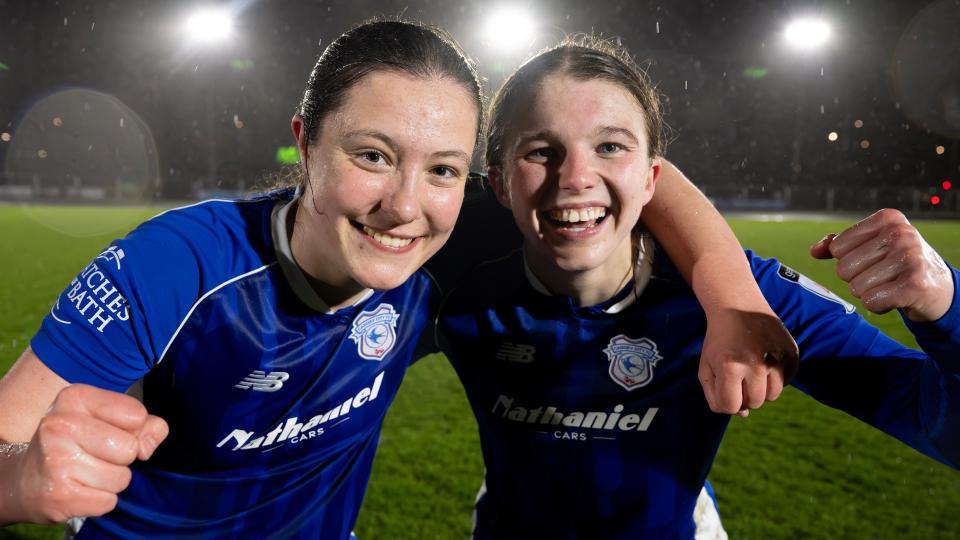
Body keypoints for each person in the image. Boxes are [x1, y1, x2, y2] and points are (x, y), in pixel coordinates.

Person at [0, 19, 795, 539]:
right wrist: (21, 477)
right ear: (305, 143)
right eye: (371, 155)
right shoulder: (180, 264)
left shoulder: (439, 241)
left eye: (442, 168)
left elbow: (640, 176)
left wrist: (730, 298)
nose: (403, 206)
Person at [435, 35, 960, 539]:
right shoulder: (450, 279)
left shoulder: (745, 297)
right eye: (541, 151)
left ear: (651, 179)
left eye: (611, 146)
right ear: (499, 181)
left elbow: (942, 430)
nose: (576, 176)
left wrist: (947, 309)